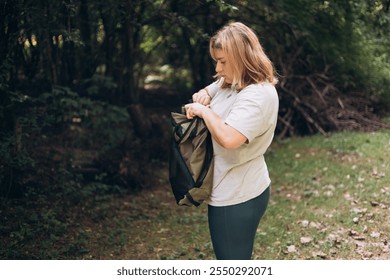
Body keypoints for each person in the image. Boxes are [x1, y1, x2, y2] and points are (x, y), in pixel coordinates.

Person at [184, 22, 279, 260]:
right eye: (217, 60)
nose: (218, 67)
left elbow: (229, 138)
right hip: (234, 186)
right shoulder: (234, 82)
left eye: (223, 61)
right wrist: (206, 93)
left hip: (237, 195)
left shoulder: (256, 96)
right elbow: (216, 86)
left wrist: (203, 111)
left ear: (241, 57)